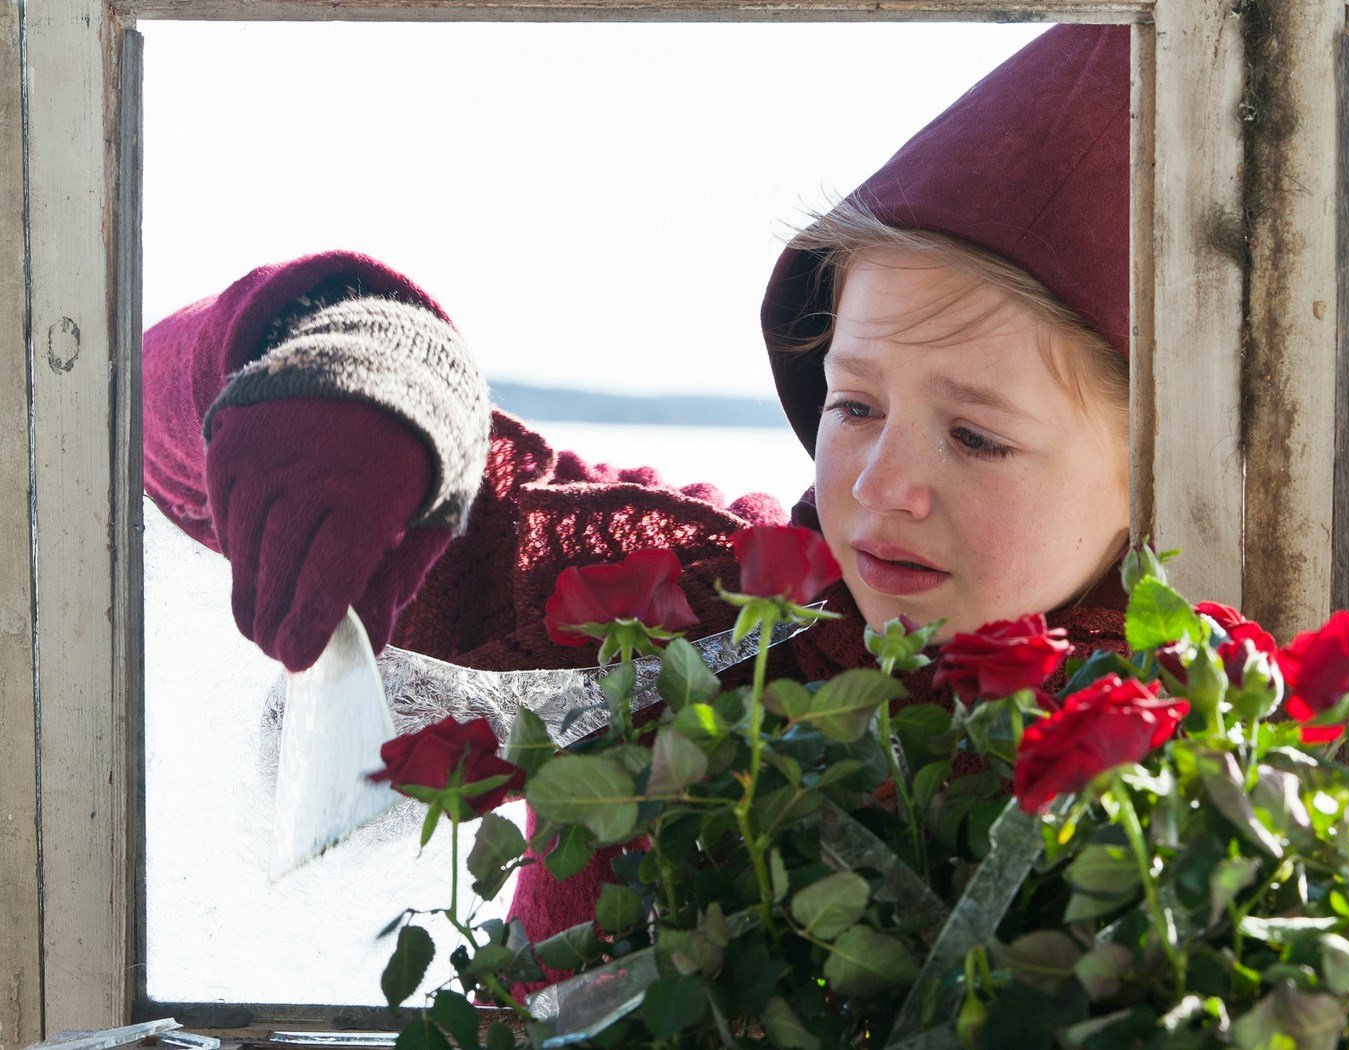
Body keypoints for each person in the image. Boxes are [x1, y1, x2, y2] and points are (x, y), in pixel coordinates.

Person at [142, 22, 1132, 960]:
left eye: (974, 435)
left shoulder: (1231, 767)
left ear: (1166, 467)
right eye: (855, 404)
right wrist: (351, 373)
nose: (880, 485)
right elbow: (140, 417)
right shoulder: (691, 618)